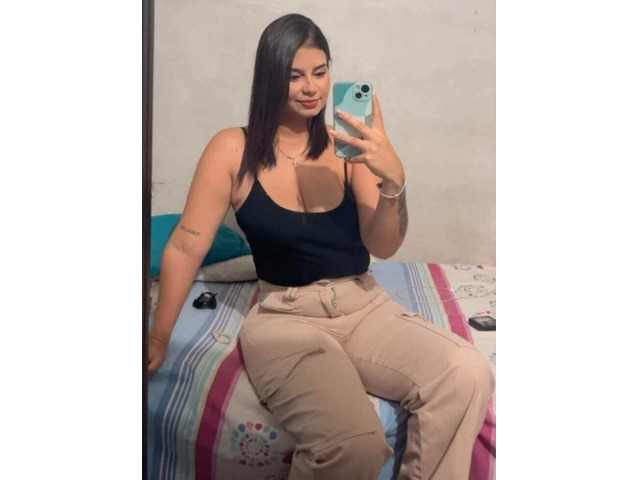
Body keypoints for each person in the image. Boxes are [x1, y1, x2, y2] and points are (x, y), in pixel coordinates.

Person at [149, 13, 495, 480]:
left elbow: (384, 245)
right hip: (285, 319)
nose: (311, 88)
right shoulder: (233, 149)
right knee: (354, 445)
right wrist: (158, 336)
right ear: (269, 77)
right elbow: (184, 248)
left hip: (363, 306)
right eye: (294, 75)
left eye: (320, 71)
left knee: (468, 373)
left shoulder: (347, 147)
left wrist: (394, 181)